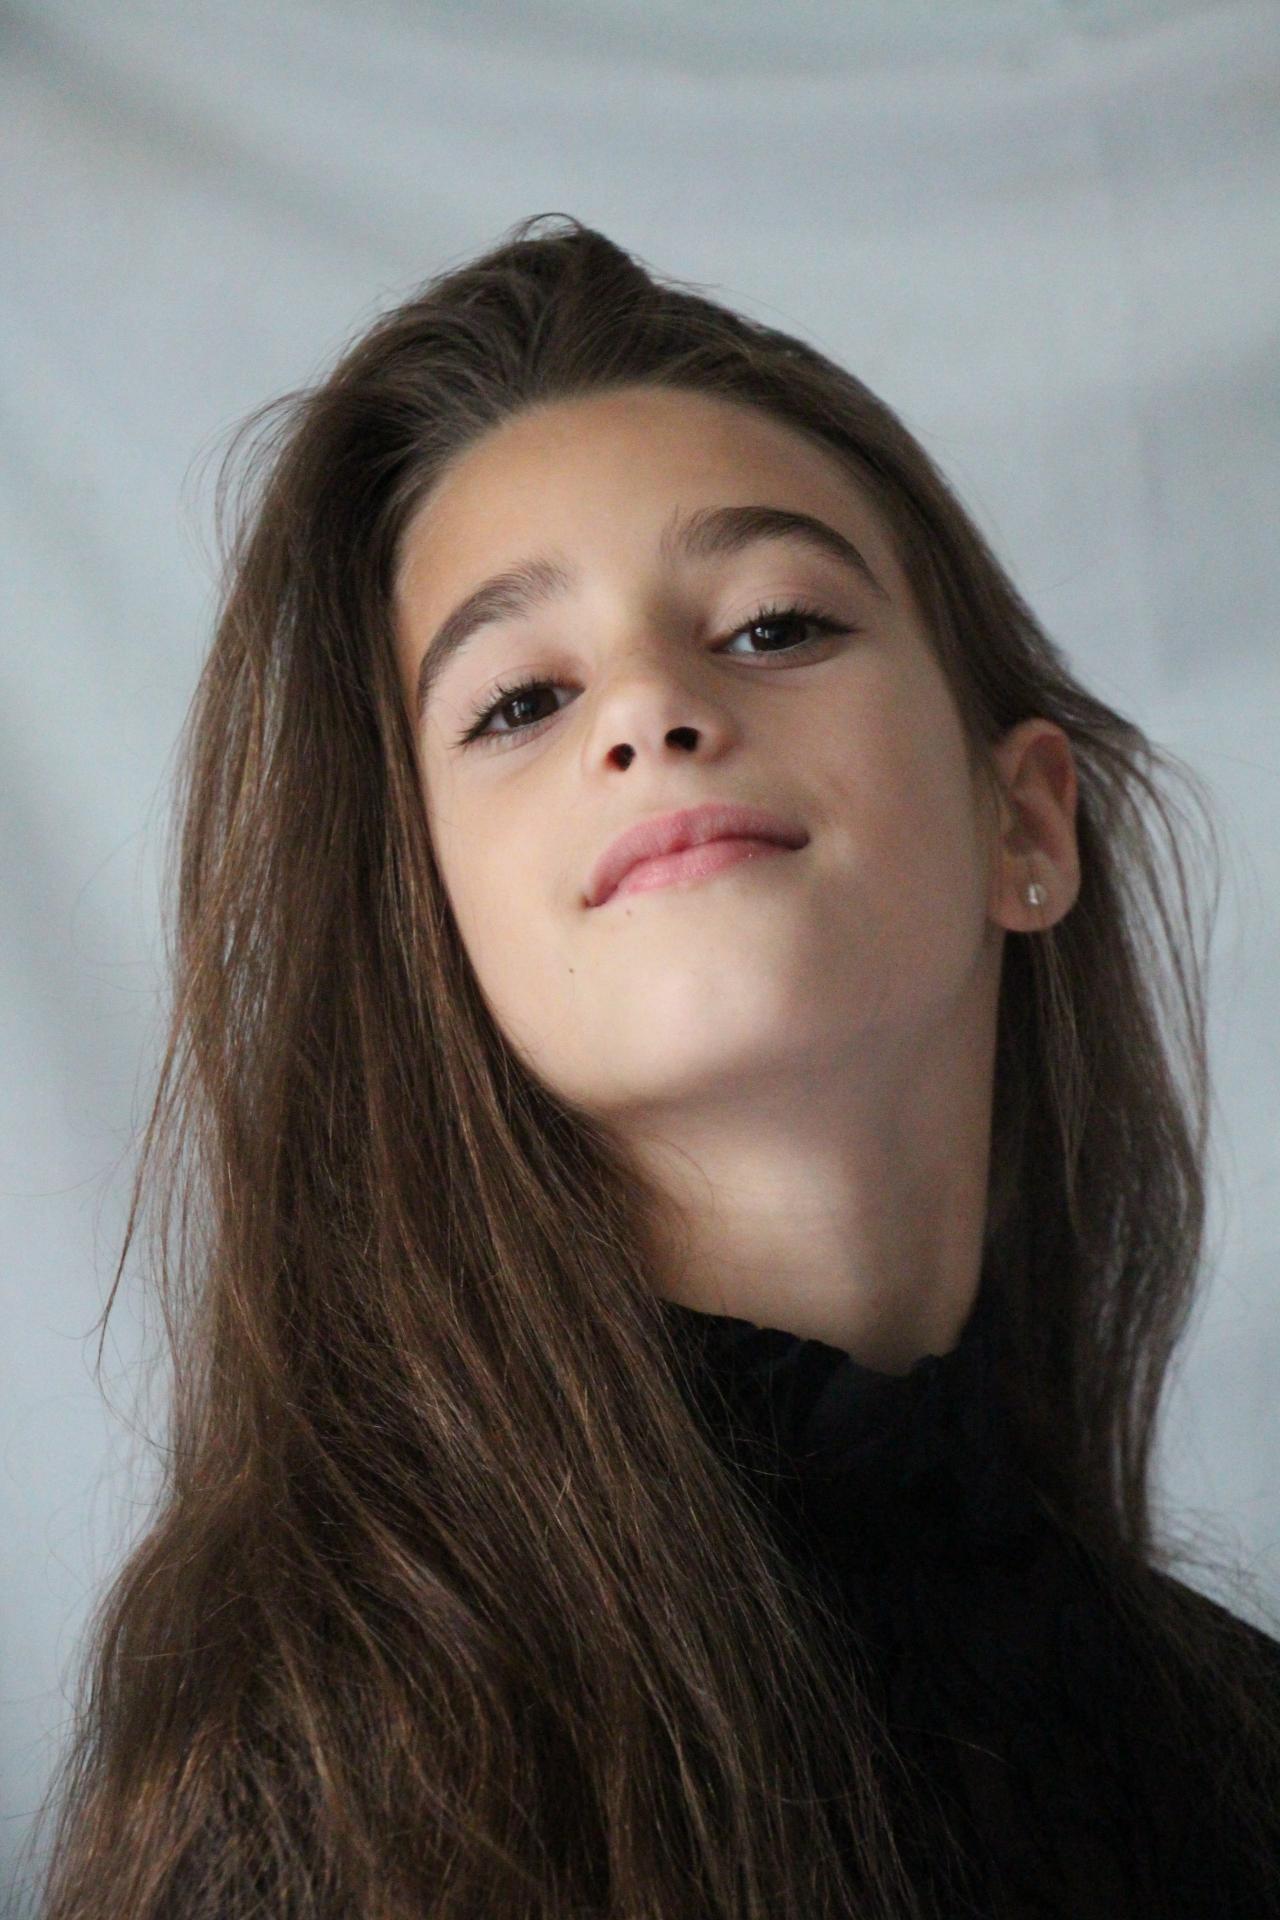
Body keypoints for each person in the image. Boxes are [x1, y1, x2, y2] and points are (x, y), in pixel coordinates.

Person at [28, 212, 1280, 1919]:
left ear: (1027, 824)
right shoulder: (324, 1790)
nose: (649, 710)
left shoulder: (1236, 1749)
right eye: (518, 702)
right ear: (432, 929)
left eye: (772, 625)